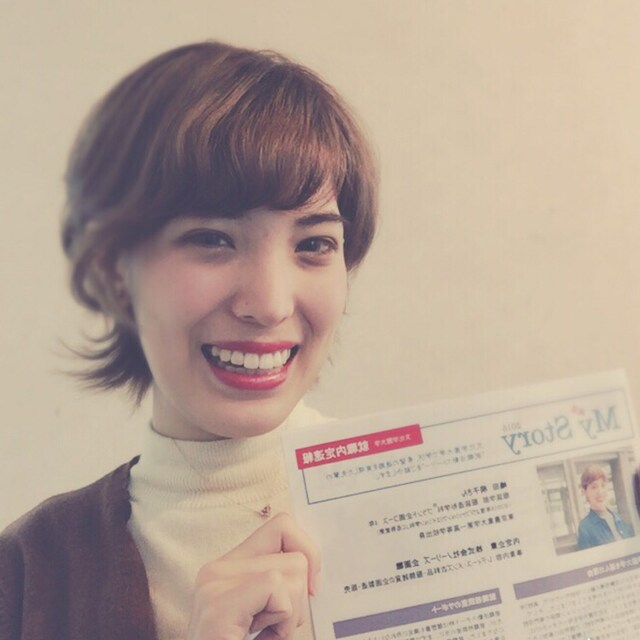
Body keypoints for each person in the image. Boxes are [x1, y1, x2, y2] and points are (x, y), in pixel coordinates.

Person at [0, 41, 377, 640]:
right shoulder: (33, 571)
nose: (270, 304)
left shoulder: (418, 506)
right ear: (115, 274)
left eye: (313, 244)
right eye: (212, 238)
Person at [577, 464, 634, 550]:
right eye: (594, 487)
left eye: (603, 485)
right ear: (584, 492)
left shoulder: (621, 518)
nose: (600, 492)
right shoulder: (585, 527)